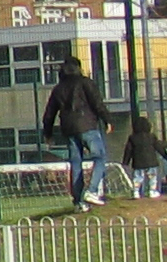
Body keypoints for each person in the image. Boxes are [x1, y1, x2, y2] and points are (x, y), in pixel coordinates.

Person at [40, 53, 113, 210]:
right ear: (79, 68)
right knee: (100, 157)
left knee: (76, 164)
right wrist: (107, 119)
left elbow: (49, 113)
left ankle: (78, 202)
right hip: (87, 125)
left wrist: (48, 134)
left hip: (69, 129)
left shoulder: (58, 89)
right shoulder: (86, 83)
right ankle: (92, 191)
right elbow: (97, 103)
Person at [126, 116, 164, 200]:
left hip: (138, 162)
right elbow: (159, 147)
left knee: (138, 178)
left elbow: (128, 150)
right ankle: (152, 191)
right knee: (152, 177)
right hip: (151, 161)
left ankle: (136, 192)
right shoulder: (152, 136)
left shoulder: (132, 138)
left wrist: (125, 162)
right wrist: (165, 155)